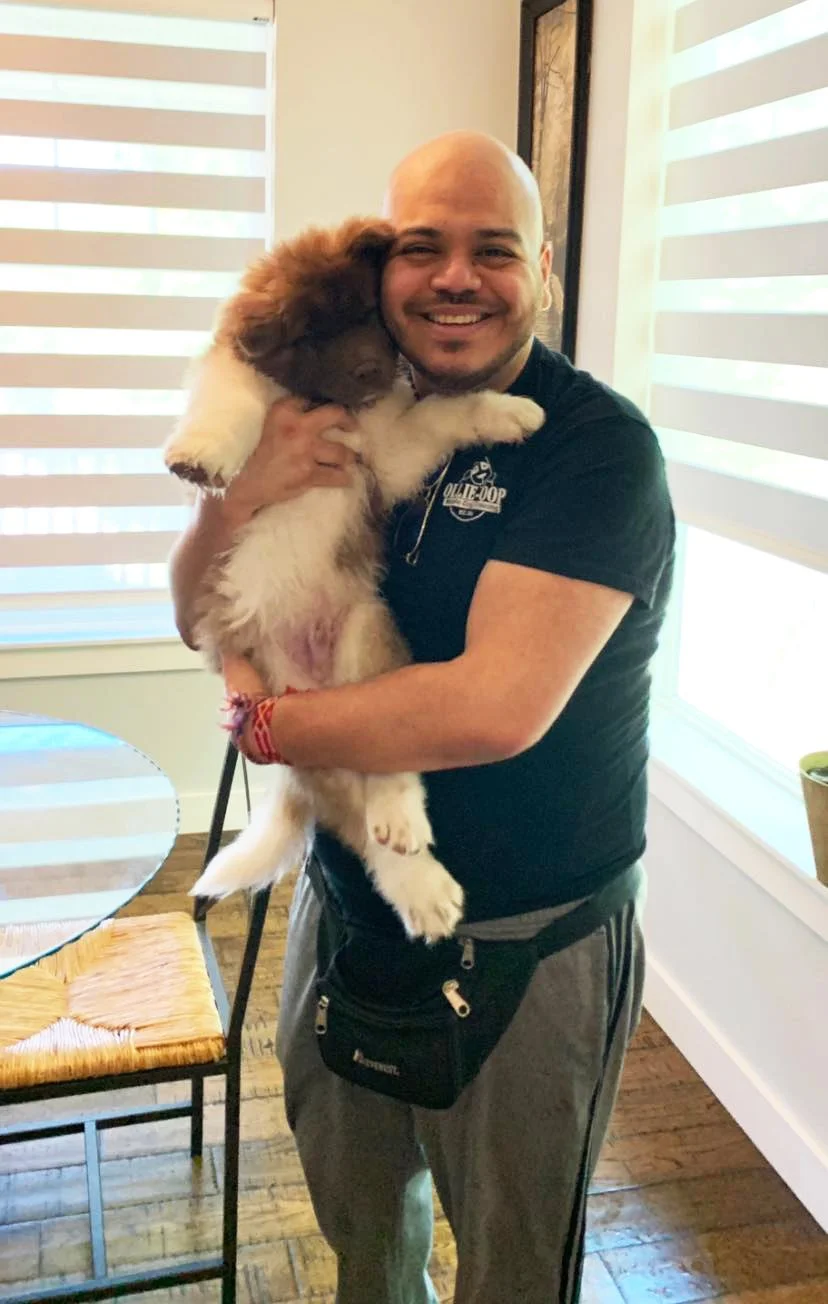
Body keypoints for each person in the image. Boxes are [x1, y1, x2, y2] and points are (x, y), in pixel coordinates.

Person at [169, 130, 675, 1304]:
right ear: (379, 272)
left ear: (544, 270)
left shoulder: (596, 452)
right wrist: (244, 491)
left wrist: (265, 727)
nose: (455, 277)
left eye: (493, 250)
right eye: (422, 248)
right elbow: (196, 604)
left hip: (528, 940)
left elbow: (491, 707)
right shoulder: (346, 396)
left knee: (510, 1265)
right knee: (363, 1237)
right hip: (347, 909)